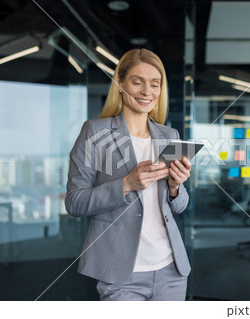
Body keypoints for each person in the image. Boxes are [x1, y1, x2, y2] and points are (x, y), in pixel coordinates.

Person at [65, 48, 192, 301]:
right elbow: (75, 202)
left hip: (171, 270)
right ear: (120, 84)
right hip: (121, 274)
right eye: (138, 82)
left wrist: (177, 187)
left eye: (155, 84)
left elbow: (179, 207)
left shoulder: (169, 135)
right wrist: (126, 183)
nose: (147, 92)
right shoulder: (95, 133)